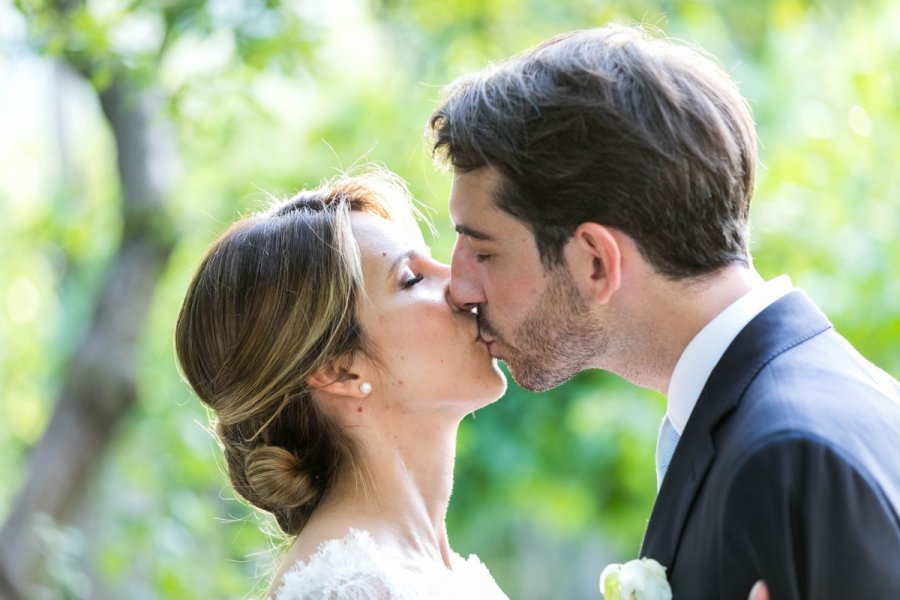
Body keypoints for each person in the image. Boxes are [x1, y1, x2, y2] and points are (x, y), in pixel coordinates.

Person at [429, 23, 900, 599]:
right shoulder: (791, 417)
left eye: (483, 251)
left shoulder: (790, 457)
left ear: (596, 261)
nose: (459, 287)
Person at [174, 170, 509, 599]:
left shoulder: (432, 573)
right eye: (411, 278)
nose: (463, 286)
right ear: (339, 370)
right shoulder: (347, 591)